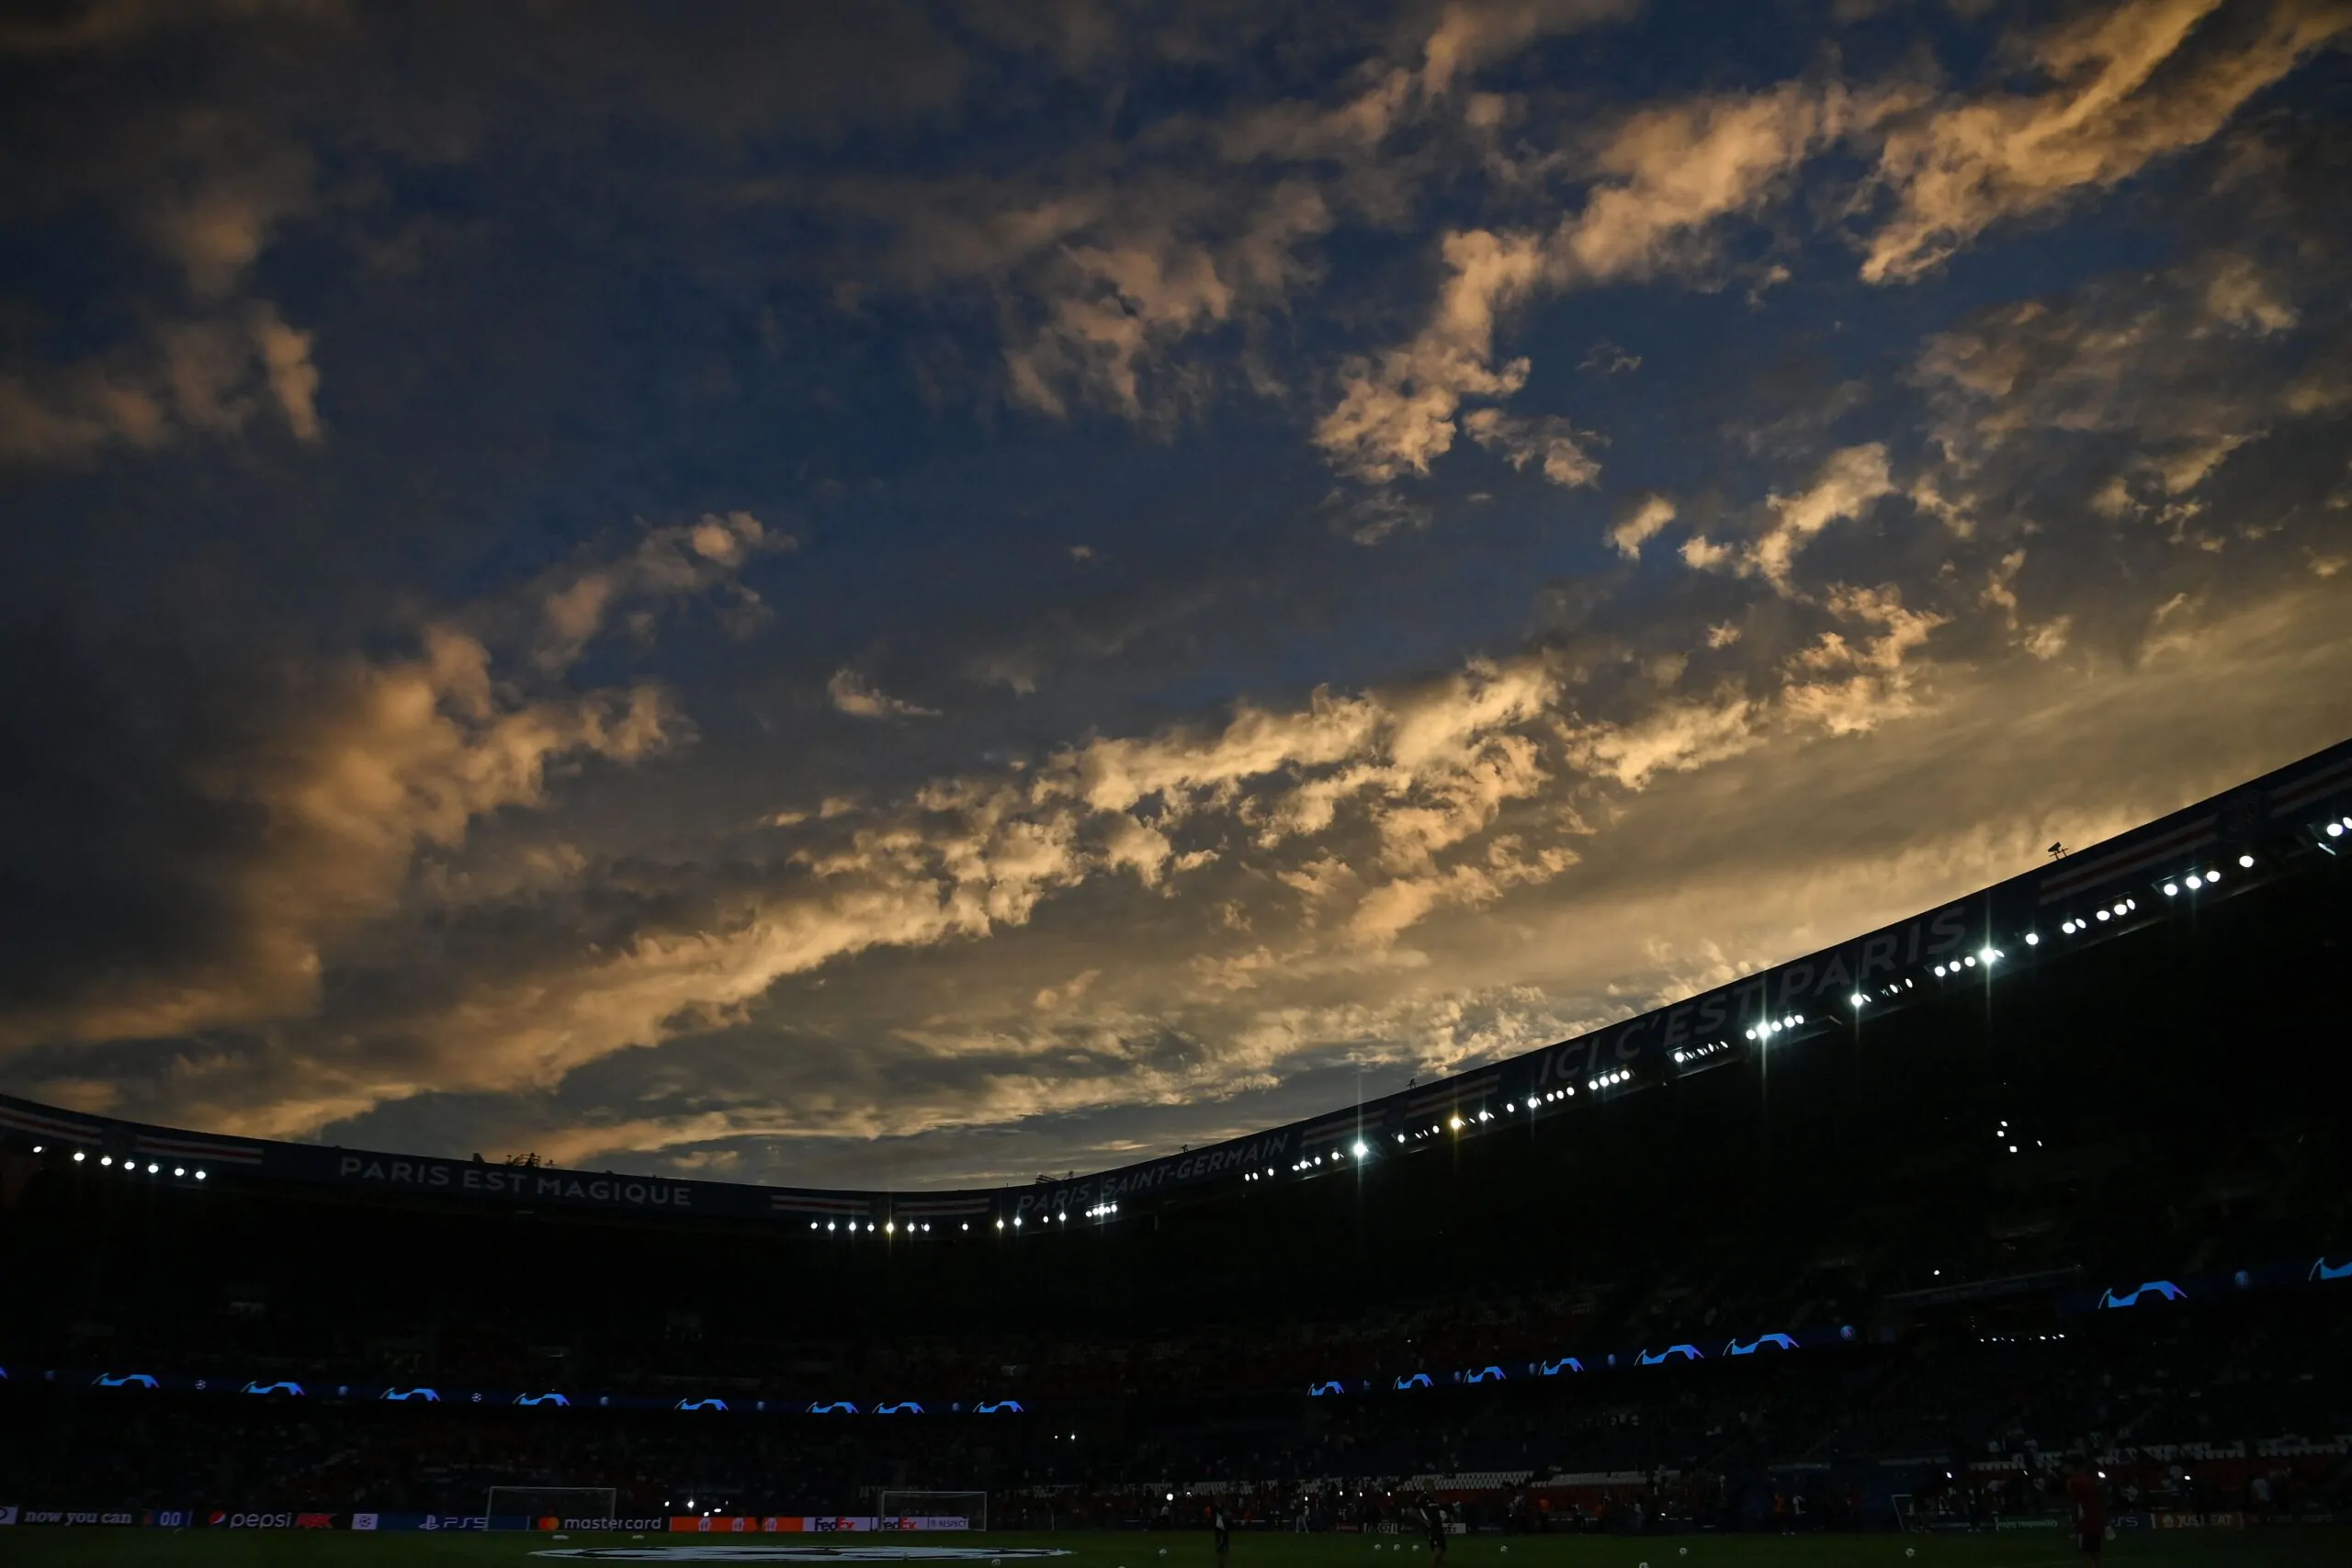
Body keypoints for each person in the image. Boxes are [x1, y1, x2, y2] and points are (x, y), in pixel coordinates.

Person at [2066, 1466, 2107, 1562]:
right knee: (2094, 1549)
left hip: (2087, 1521)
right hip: (2094, 1520)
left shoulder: (2077, 1482)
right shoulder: (2093, 1483)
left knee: (2086, 1549)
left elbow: (2074, 1500)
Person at [1423, 1497, 1448, 1568]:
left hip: (1439, 1528)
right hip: (1432, 1529)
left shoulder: (1435, 1500)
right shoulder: (1423, 1499)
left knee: (1442, 1549)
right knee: (1437, 1550)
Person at [1214, 1503, 1231, 1568]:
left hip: (1221, 1528)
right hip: (1221, 1528)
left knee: (1222, 1542)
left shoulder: (1221, 1514)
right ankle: (1222, 1549)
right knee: (1223, 1542)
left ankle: (1222, 1549)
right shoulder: (1222, 1513)